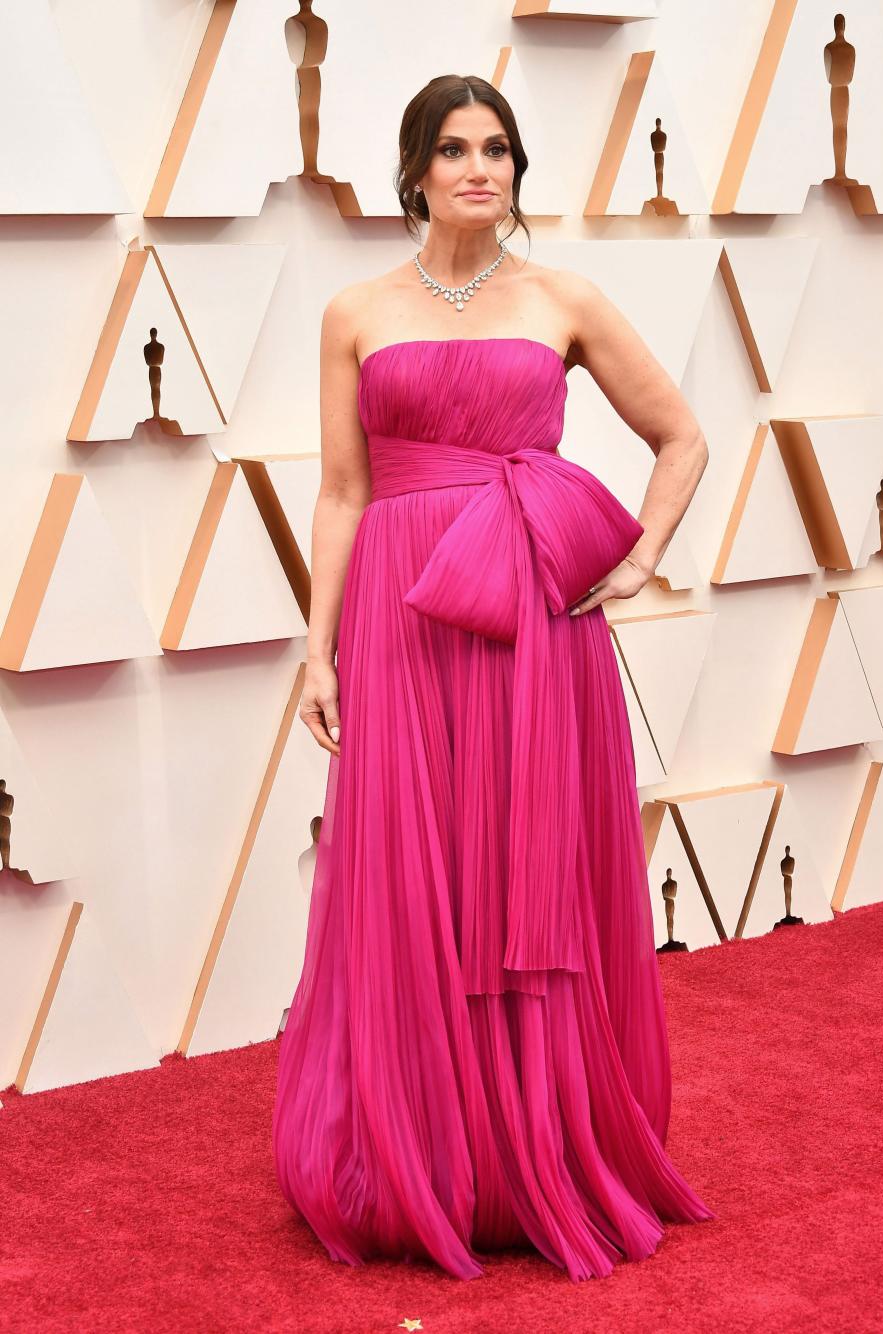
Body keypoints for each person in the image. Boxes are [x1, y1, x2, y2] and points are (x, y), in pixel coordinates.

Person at [272, 73, 714, 1283]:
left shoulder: (564, 298)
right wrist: (318, 648)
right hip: (402, 617)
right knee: (419, 879)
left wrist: (639, 560)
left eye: (501, 149)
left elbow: (681, 434)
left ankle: (533, 1150)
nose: (482, 169)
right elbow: (346, 488)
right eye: (457, 149)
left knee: (527, 872)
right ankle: (425, 1149)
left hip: (533, 620)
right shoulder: (355, 311)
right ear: (414, 168)